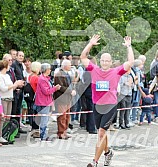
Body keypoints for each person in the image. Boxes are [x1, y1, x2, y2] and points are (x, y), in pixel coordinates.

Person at [81, 35, 134, 167]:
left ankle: (94, 161)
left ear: (111, 62)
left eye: (107, 61)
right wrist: (90, 44)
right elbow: (83, 57)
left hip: (110, 106)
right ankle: (108, 152)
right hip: (97, 106)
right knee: (102, 133)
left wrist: (129, 47)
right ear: (100, 61)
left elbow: (131, 62)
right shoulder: (94, 70)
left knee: (101, 133)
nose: (105, 63)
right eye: (103, 60)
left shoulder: (116, 72)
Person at [0, 59, 24, 144]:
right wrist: (14, 85)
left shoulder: (7, 76)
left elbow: (10, 87)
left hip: (9, 97)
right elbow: (3, 88)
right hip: (3, 98)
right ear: (5, 66)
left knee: (7, 117)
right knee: (2, 118)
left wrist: (17, 84)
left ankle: (5, 133)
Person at [34, 63, 61, 141]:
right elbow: (46, 91)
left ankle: (44, 135)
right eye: (49, 69)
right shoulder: (42, 79)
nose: (50, 70)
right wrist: (55, 88)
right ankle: (43, 136)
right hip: (43, 102)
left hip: (46, 101)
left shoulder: (46, 78)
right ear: (46, 70)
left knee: (45, 119)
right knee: (44, 119)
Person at [53, 59, 76, 139]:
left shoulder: (67, 74)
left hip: (67, 99)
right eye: (69, 65)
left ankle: (65, 131)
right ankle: (61, 133)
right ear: (65, 65)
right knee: (62, 117)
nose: (71, 66)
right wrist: (70, 91)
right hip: (61, 99)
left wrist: (73, 90)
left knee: (67, 117)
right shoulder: (59, 74)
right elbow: (60, 87)